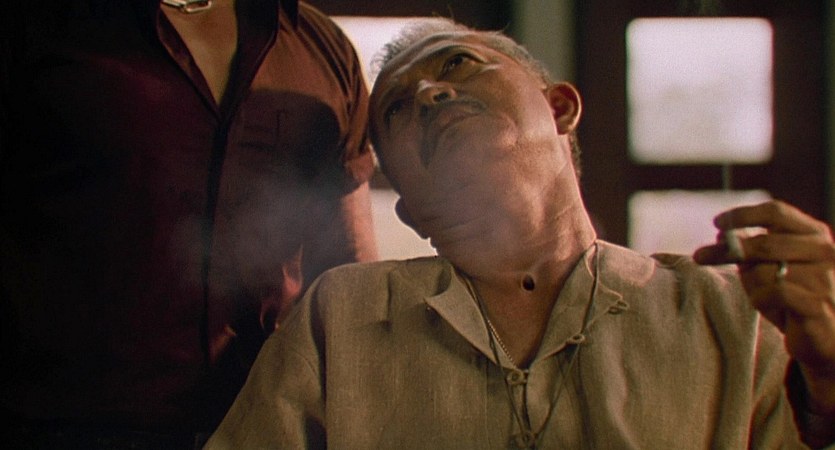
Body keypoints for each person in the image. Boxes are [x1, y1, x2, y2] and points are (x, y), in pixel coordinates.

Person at [205, 18, 835, 449]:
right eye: (397, 108)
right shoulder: (342, 320)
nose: (430, 92)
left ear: (559, 107)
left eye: (458, 63)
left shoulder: (729, 316)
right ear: (410, 211)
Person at [0, 0, 377, 448]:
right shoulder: (37, 27)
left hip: (266, 425)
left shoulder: (321, 47)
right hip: (66, 423)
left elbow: (350, 275)